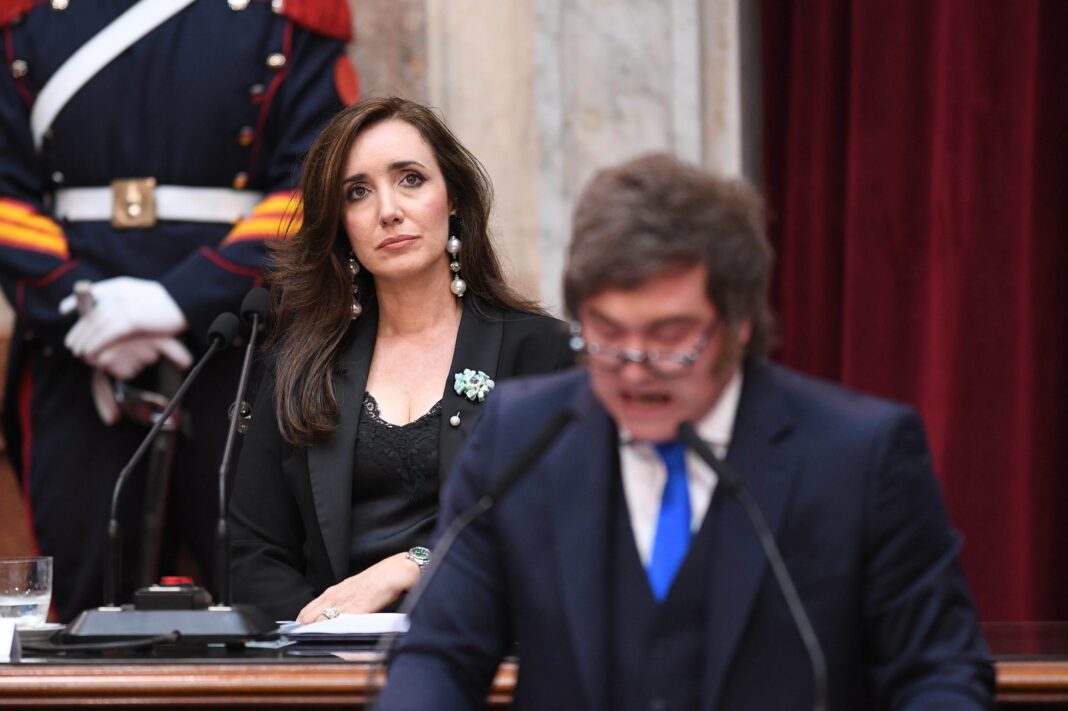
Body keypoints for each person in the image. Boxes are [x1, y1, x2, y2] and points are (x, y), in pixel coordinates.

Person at [379, 154, 994, 709]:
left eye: (671, 337)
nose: (635, 368)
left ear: (741, 322)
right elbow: (438, 656)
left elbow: (939, 675)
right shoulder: (522, 438)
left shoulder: (860, 456)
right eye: (608, 334)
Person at [0, 0, 356, 622]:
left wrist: (179, 299)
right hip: (76, 350)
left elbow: (320, 174)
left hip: (244, 344)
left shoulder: (289, 14)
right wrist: (77, 301)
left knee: (267, 598)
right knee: (84, 608)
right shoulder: (25, 15)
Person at [228, 97, 574, 623]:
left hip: (490, 656)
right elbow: (253, 554)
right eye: (358, 192)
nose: (388, 210)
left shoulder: (541, 354)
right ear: (340, 223)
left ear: (453, 196)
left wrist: (413, 565)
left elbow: (559, 525)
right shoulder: (297, 366)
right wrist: (326, 638)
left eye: (410, 179)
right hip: (328, 666)